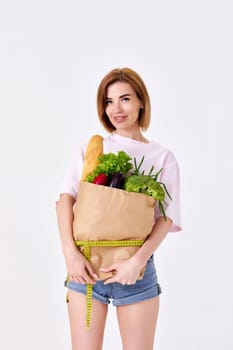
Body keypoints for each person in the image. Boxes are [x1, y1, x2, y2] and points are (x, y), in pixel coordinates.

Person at [56, 67, 182, 350]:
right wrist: (70, 255)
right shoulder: (92, 149)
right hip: (86, 268)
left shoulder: (162, 157)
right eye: (108, 101)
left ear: (141, 102)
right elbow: (65, 200)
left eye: (125, 99)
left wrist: (135, 262)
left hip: (135, 272)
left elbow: (165, 219)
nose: (116, 109)